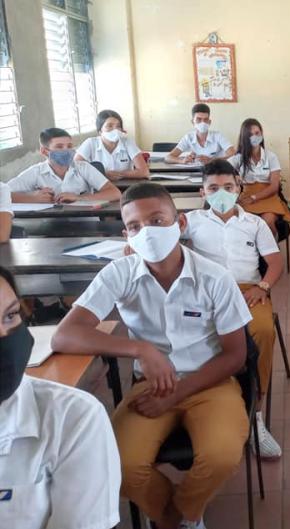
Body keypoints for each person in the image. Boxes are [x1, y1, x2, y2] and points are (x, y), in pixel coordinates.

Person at [52, 183, 253, 529]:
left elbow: (236, 355)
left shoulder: (214, 278)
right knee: (119, 464)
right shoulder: (120, 273)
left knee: (221, 456)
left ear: (181, 224)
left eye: (157, 221)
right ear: (126, 234)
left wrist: (177, 393)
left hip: (210, 382)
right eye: (135, 226)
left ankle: (184, 515)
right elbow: (65, 334)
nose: (147, 232)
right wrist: (139, 348)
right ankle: (177, 517)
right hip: (152, 384)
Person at [0, 266, 121, 529]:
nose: (4, 339)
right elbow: (67, 333)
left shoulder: (72, 418)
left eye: (10, 316)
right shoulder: (120, 271)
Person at [182, 159, 284, 459]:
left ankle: (256, 412)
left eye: (228, 187)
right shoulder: (190, 222)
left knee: (262, 331)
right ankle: (202, 401)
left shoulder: (254, 223)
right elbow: (162, 247)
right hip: (203, 292)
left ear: (238, 188)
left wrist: (262, 287)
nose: (221, 193)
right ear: (202, 192)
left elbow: (275, 262)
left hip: (246, 290)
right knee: (191, 332)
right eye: (213, 188)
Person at [8, 128, 122, 204]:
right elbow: (3, 194)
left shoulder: (83, 167)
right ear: (44, 151)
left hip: (84, 222)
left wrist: (79, 198)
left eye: (69, 146)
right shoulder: (36, 172)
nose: (66, 150)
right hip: (47, 226)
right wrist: (32, 198)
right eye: (59, 147)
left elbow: (115, 193)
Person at [228, 118, 290, 236]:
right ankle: (251, 252)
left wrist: (254, 197)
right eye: (250, 135)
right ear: (244, 137)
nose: (254, 137)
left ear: (261, 134)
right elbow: (220, 169)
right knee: (243, 223)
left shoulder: (271, 157)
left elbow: (274, 186)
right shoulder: (238, 158)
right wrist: (233, 181)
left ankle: (270, 250)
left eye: (257, 133)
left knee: (267, 222)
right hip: (246, 196)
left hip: (268, 196)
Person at [75, 109, 150, 180]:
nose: (115, 130)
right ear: (100, 131)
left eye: (118, 126)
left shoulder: (127, 142)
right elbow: (76, 167)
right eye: (109, 126)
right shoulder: (90, 143)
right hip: (98, 187)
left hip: (125, 186)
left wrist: (120, 174)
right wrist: (103, 174)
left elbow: (144, 172)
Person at [165, 103, 235, 164]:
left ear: (209, 122)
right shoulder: (188, 137)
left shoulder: (218, 136)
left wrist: (212, 160)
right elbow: (168, 157)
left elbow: (234, 155)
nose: (203, 123)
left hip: (216, 171)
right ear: (193, 122)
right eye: (199, 119)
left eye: (205, 119)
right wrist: (182, 160)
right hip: (195, 172)